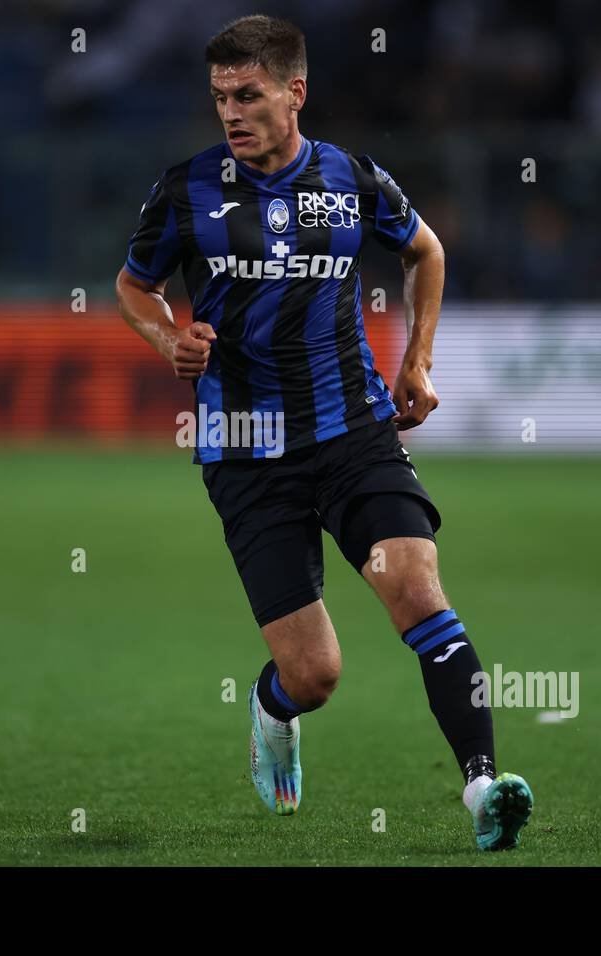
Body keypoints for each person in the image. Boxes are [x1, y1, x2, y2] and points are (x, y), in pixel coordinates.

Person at [114, 14, 532, 850]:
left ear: (294, 93)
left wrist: (416, 364)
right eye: (219, 98)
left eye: (248, 94)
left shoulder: (350, 178)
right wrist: (170, 338)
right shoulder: (185, 190)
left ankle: (484, 788)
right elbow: (132, 285)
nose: (230, 113)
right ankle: (272, 709)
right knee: (317, 675)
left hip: (353, 433)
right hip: (244, 449)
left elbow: (425, 251)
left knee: (417, 592)